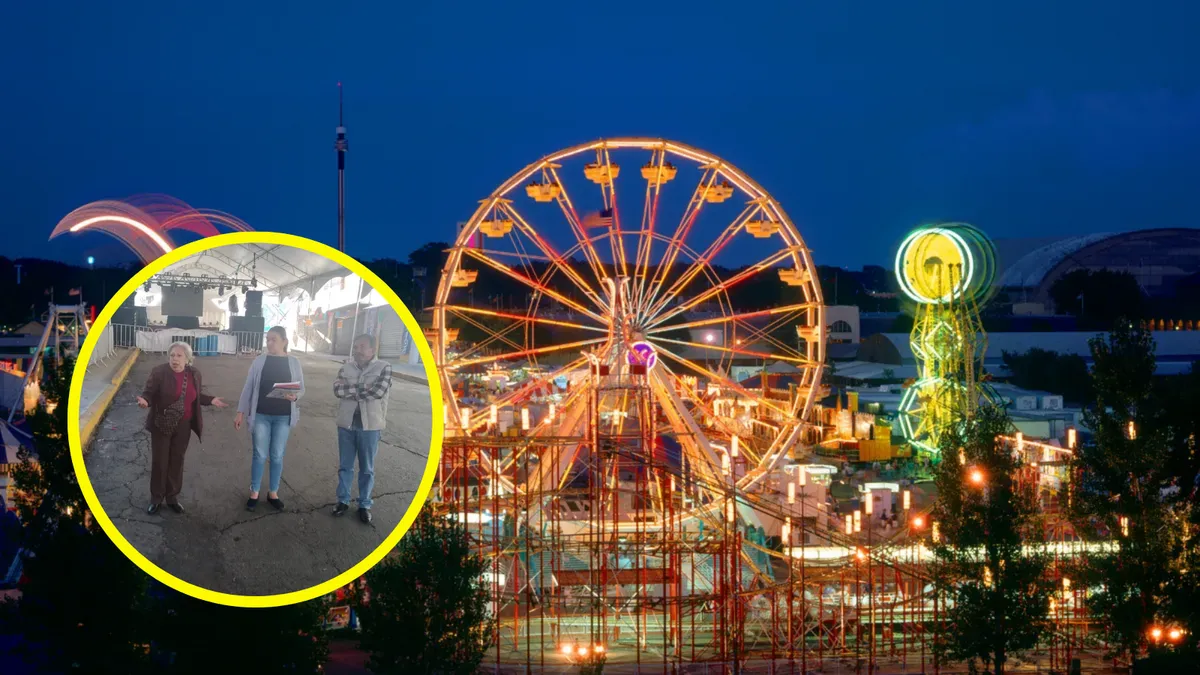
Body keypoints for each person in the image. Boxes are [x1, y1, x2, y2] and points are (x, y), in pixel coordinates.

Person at [136, 341, 228, 514]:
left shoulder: (194, 374)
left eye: (179, 356)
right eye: (172, 355)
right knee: (160, 462)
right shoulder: (159, 372)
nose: (175, 359)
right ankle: (156, 498)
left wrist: (211, 400)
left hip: (183, 425)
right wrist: (145, 401)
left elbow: (196, 395)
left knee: (177, 461)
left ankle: (172, 498)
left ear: (187, 359)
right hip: (161, 424)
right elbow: (149, 392)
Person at [235, 326, 306, 511]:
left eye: (274, 339)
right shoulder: (260, 361)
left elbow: (301, 388)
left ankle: (273, 492)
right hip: (261, 415)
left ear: (284, 341)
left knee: (277, 455)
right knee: (259, 455)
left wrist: (295, 396)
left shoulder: (294, 362)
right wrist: (241, 412)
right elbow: (248, 387)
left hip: (283, 416)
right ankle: (254, 492)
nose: (269, 342)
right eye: (268, 339)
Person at [332, 334, 392, 524]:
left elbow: (378, 392)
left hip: (370, 426)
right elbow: (337, 390)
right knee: (345, 466)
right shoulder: (346, 367)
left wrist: (351, 388)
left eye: (362, 347)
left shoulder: (384, 368)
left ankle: (364, 505)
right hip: (347, 424)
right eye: (356, 346)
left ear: (373, 350)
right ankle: (342, 501)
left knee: (367, 469)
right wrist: (363, 387)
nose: (358, 350)